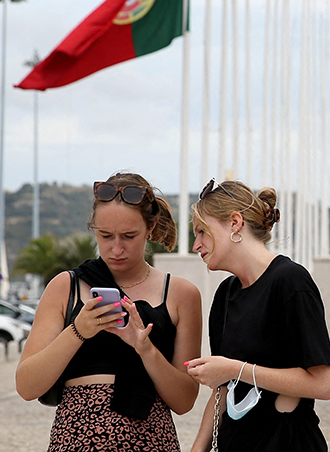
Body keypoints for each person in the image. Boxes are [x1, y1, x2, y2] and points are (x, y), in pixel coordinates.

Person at [16, 172, 202, 452]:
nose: (116, 248)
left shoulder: (181, 294)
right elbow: (27, 386)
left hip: (150, 440)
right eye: (105, 235)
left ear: (150, 228)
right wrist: (79, 331)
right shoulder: (65, 286)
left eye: (129, 236)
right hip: (77, 439)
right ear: (94, 229)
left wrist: (146, 349)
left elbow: (184, 401)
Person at [186, 179, 330, 452]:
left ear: (234, 223)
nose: (196, 245)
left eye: (202, 232)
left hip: (289, 443)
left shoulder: (291, 281)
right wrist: (198, 449)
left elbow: (323, 384)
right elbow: (223, 389)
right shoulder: (226, 294)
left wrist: (235, 369)